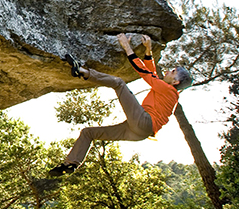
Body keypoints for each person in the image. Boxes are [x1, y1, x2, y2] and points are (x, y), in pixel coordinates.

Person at [33, 33, 192, 192]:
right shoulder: (168, 91)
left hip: (144, 122)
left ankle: (82, 71)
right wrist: (148, 50)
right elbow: (152, 73)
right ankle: (71, 164)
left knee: (119, 83)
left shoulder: (169, 91)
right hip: (139, 131)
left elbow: (144, 73)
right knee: (88, 133)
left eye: (173, 71)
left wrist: (127, 47)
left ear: (175, 82)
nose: (168, 71)